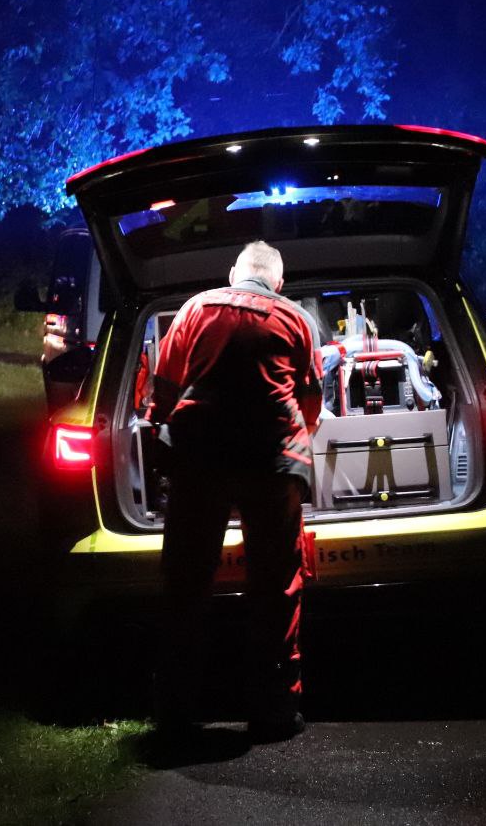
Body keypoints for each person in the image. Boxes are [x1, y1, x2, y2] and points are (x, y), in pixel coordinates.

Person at [148, 240, 322, 742]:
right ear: (279, 282)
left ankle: (175, 710)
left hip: (200, 458)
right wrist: (294, 444)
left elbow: (164, 386)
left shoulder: (195, 308)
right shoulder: (295, 319)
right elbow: (310, 400)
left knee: (185, 584)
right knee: (276, 585)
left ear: (232, 273)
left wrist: (166, 436)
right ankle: (274, 711)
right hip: (273, 462)